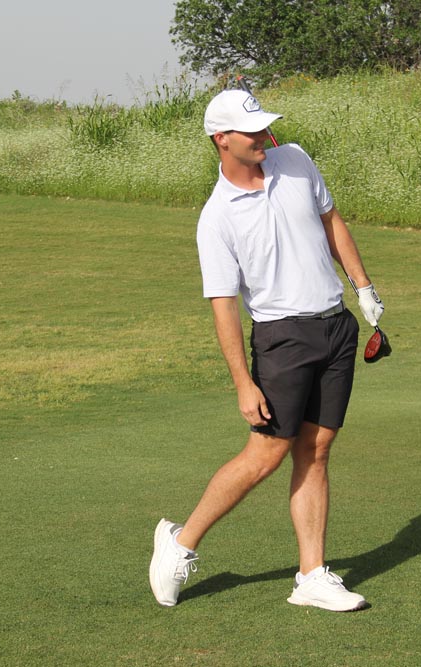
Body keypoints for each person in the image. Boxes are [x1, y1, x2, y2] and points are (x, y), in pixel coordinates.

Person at [149, 89, 385, 612]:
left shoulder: (295, 159)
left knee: (316, 450)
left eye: (263, 126)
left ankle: (312, 576)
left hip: (336, 328)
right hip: (282, 339)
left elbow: (331, 221)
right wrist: (242, 381)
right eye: (250, 131)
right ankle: (182, 541)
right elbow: (224, 306)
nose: (263, 136)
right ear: (221, 139)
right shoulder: (216, 218)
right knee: (266, 454)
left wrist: (364, 286)